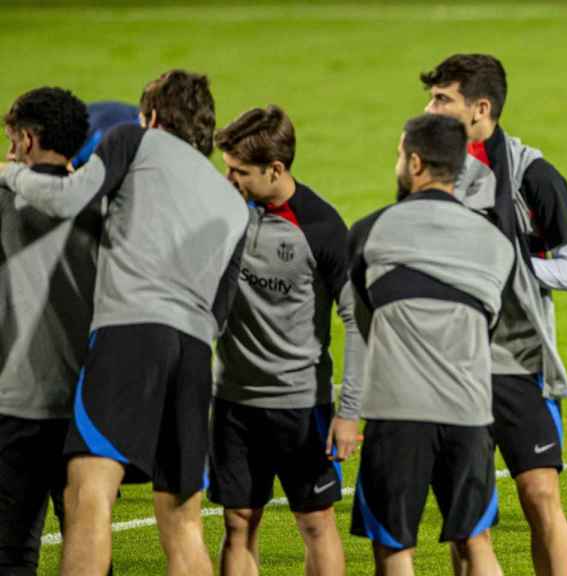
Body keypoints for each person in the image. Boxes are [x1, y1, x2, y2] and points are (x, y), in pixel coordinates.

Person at [0, 69, 250, 575]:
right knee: (183, 525)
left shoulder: (136, 140)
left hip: (132, 335)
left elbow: (70, 198)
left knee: (87, 497)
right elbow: (222, 310)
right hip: (197, 352)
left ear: (153, 116)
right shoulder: (233, 200)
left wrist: (7, 173)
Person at [422, 54, 567, 576]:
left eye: (442, 99)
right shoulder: (428, 172)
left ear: (481, 109)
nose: (429, 108)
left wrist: (505, 265)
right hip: (453, 366)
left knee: (540, 495)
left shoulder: (531, 174)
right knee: (469, 519)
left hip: (519, 362)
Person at [346, 113, 514, 576]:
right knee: (475, 540)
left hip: (396, 411)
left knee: (394, 546)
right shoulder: (496, 242)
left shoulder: (369, 231)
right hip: (469, 409)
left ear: (415, 162)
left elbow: (366, 314)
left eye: (401, 155)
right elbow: (489, 320)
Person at [209, 105, 348, 576]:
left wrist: (349, 411)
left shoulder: (322, 228)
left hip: (300, 404)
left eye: (239, 172)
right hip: (232, 400)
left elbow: (359, 321)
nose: (229, 180)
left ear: (276, 169)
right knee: (238, 522)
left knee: (314, 522)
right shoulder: (224, 213)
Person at [0, 87, 95, 576]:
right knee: (89, 544)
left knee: (11, 551)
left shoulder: (4, 197)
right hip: (90, 405)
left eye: (13, 137)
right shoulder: (104, 203)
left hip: (18, 401)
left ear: (30, 140)